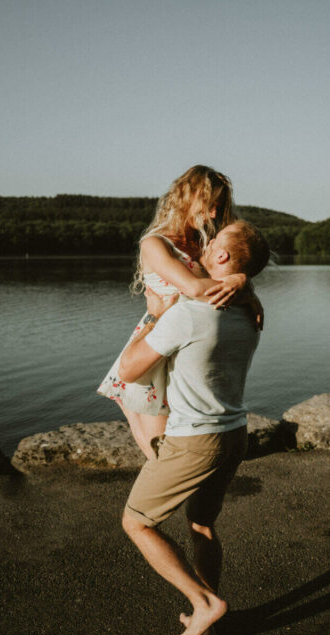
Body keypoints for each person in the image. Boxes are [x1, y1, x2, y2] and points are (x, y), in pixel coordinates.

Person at [118, 220, 270, 635]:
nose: (206, 243)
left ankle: (203, 602)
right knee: (201, 523)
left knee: (136, 522)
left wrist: (156, 315)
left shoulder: (188, 314)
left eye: (215, 241)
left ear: (221, 257)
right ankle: (211, 625)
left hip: (194, 441)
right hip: (233, 434)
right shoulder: (249, 311)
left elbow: (130, 370)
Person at [97, 165, 258, 460]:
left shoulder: (204, 243)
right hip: (157, 341)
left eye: (218, 207)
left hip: (187, 344)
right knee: (160, 451)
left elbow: (229, 270)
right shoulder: (155, 243)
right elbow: (196, 289)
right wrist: (242, 286)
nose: (213, 214)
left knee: (182, 443)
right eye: (210, 205)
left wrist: (244, 282)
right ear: (187, 196)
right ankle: (155, 504)